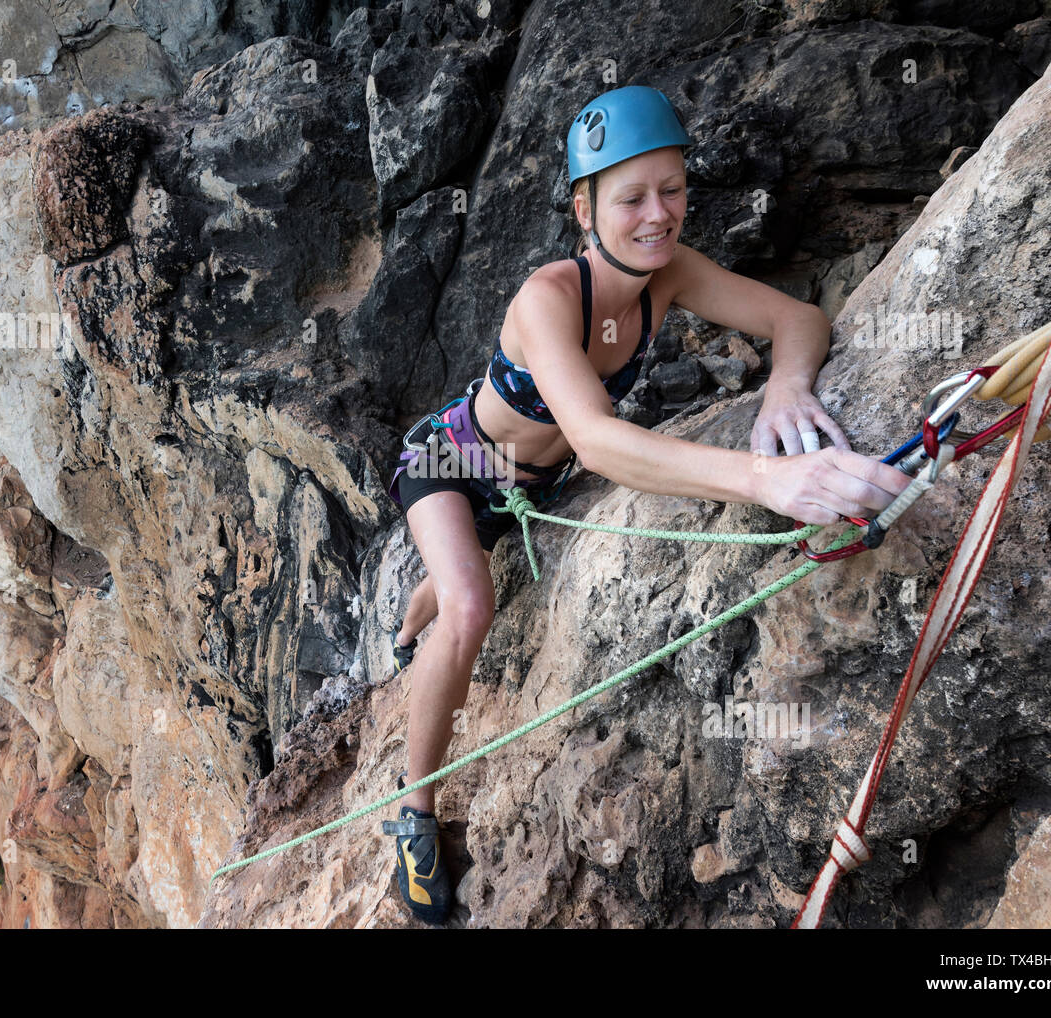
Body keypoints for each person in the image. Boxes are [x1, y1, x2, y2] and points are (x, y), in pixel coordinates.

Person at [380, 85, 912, 924]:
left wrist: (785, 387)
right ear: (585, 208)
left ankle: (419, 612)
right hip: (454, 460)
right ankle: (411, 814)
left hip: (534, 483)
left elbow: (798, 317)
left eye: (672, 189)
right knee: (470, 602)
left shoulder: (674, 274)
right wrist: (764, 478)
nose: (658, 215)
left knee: (456, 574)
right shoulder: (548, 298)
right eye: (632, 198)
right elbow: (593, 438)